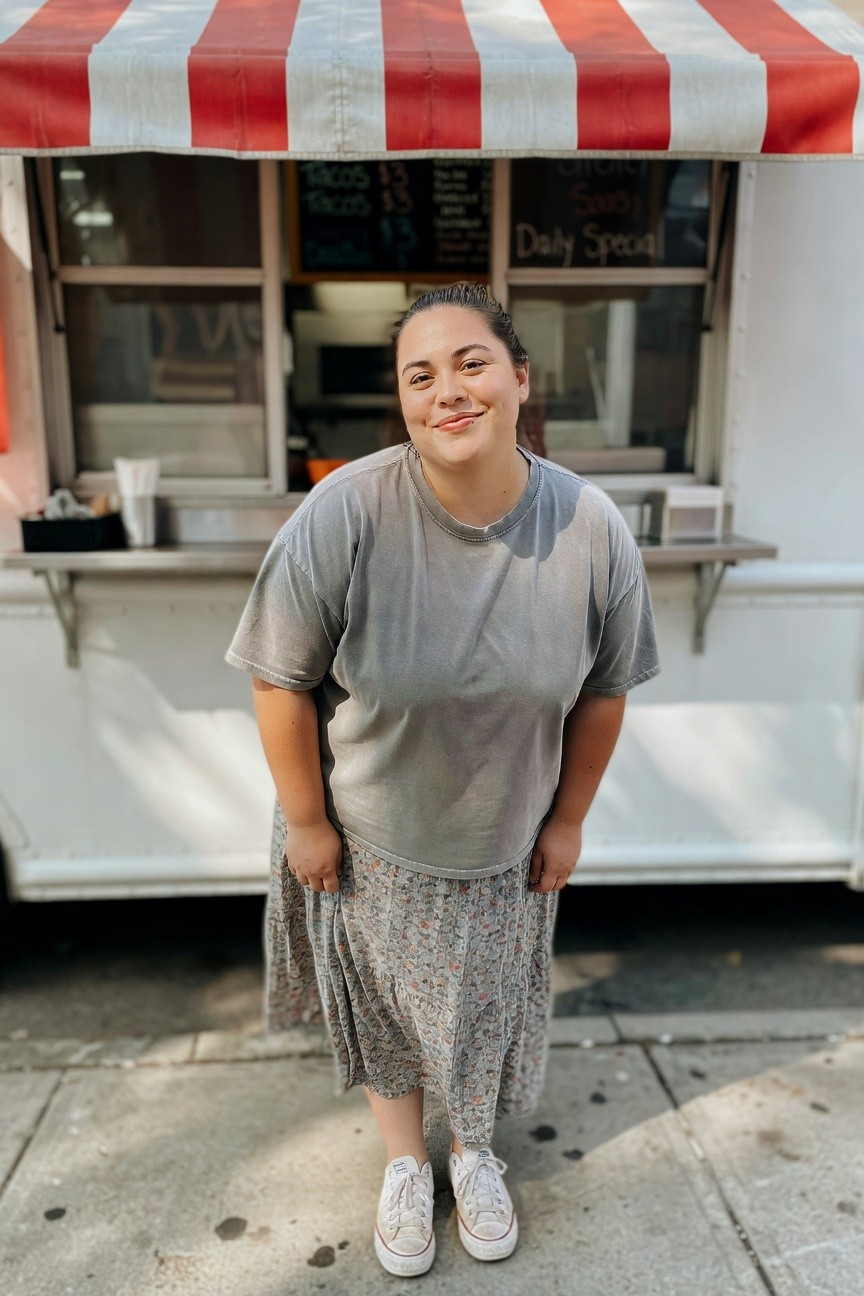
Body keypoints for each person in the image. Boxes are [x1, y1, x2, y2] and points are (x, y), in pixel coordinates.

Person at [225, 282, 660, 1277]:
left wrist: (569, 821)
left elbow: (605, 689)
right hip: (368, 833)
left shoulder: (589, 525)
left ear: (520, 379)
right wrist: (306, 821)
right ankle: (404, 1165)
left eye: (472, 363)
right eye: (419, 376)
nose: (447, 391)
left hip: (507, 838)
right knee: (386, 1014)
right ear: (402, 399)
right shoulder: (345, 510)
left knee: (484, 1012)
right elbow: (278, 676)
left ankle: (472, 1153)